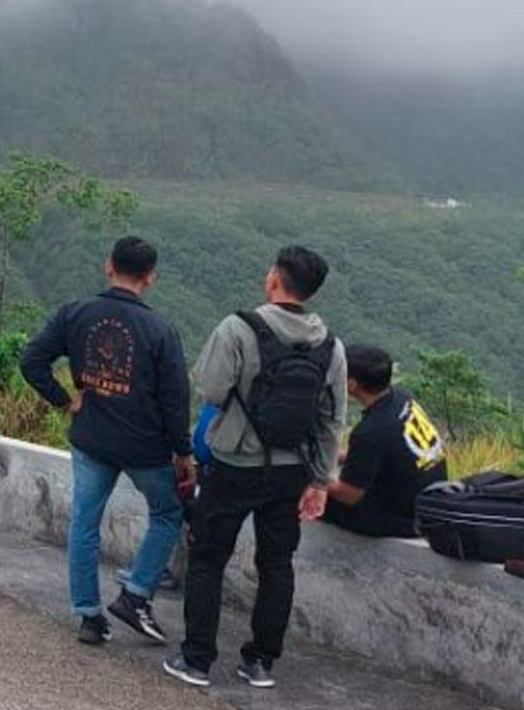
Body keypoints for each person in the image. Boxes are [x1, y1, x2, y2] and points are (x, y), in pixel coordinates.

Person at [165, 245, 347, 691]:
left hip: (233, 465)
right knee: (277, 564)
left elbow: (210, 389)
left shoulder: (238, 328)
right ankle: (260, 662)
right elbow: (331, 419)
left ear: (273, 280)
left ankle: (197, 660)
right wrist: (320, 481)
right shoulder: (331, 345)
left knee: (208, 559)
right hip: (292, 472)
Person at [20, 236, 192, 648]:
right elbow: (175, 399)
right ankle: (136, 594)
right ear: (151, 277)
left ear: (108, 266)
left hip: (92, 438)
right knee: (168, 512)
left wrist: (66, 401)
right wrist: (183, 451)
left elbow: (32, 361)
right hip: (144, 445)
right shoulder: (160, 330)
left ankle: (89, 617)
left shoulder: (76, 314)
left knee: (84, 521)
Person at [323, 345, 448, 538]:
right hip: (430, 499)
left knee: (305, 496)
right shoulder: (401, 398)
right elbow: (386, 450)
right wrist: (333, 455)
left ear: (351, 385)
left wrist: (308, 475)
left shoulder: (369, 432)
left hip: (404, 519)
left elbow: (349, 495)